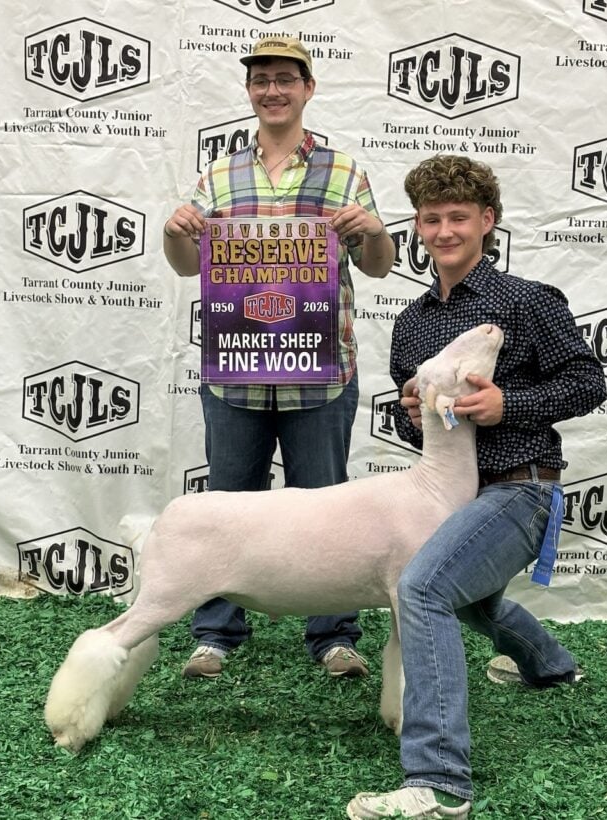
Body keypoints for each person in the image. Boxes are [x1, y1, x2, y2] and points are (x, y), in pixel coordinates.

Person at [346, 155, 607, 819]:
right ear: (417, 227)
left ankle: (440, 784)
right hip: (447, 497)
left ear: (487, 221)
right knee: (470, 597)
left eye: (458, 217)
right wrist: (411, 417)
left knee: (424, 587)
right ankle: (551, 665)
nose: (444, 231)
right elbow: (419, 426)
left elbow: (587, 383)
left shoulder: (527, 300)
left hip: (521, 488)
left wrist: (507, 405)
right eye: (431, 218)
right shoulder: (412, 323)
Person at [163, 35, 395, 680]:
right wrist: (174, 233)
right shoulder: (219, 176)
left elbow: (378, 267)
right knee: (226, 509)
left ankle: (333, 636)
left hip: (320, 376)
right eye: (261, 79)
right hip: (235, 374)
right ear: (249, 91)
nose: (272, 90)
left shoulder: (345, 172)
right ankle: (215, 633)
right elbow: (186, 266)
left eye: (285, 79)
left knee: (329, 515)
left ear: (308, 88)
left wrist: (374, 232)